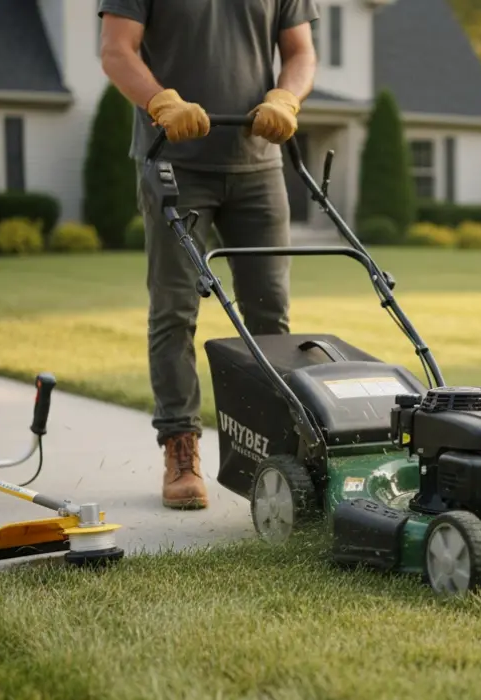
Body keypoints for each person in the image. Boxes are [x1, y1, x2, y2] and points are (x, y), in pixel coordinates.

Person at [98, 0, 318, 510]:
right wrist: (160, 102)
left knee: (269, 314)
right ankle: (181, 449)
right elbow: (116, 51)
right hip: (174, 161)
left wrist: (286, 97)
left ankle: (276, 449)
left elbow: (301, 51)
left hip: (259, 164)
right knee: (175, 310)